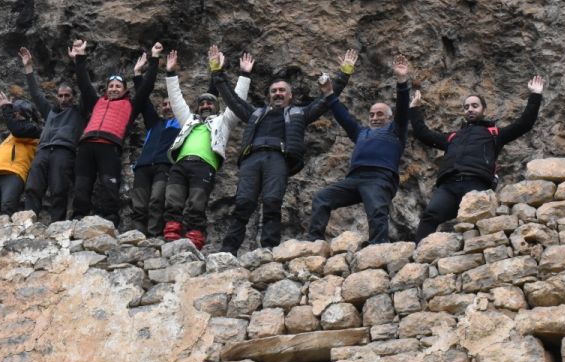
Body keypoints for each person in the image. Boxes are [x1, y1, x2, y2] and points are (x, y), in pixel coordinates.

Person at [213, 48, 356, 254]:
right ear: (269, 96)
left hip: (278, 159)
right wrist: (217, 72)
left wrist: (344, 74)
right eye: (274, 91)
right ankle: (228, 250)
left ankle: (269, 250)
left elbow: (326, 100)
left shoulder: (300, 113)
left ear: (290, 96)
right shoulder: (255, 113)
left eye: (282, 91)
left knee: (272, 202)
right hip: (251, 159)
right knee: (243, 203)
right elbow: (232, 100)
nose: (277, 94)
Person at [409, 76, 544, 242]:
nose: (470, 109)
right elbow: (424, 134)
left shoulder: (494, 134)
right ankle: (418, 257)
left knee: (478, 222)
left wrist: (535, 95)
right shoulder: (452, 137)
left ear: (484, 110)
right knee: (429, 216)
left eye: (474, 106)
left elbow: (524, 123)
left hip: (476, 183)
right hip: (448, 185)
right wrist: (414, 109)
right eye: (466, 107)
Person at [307, 54, 412, 245]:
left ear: (389, 118)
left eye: (380, 114)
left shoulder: (396, 130)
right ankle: (314, 242)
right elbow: (344, 116)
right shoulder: (361, 133)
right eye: (371, 114)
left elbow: (403, 108)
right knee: (322, 198)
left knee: (376, 210)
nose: (374, 117)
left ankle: (378, 247)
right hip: (354, 179)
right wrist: (330, 93)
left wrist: (402, 80)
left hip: (379, 178)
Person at [160, 47, 251, 249]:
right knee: (172, 198)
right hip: (181, 164)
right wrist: (170, 73)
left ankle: (194, 237)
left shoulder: (223, 122)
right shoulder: (189, 121)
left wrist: (244, 75)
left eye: (210, 102)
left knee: (197, 202)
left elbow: (236, 101)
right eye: (202, 103)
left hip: (204, 165)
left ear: (216, 106)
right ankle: (171, 234)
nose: (205, 105)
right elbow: (176, 100)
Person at [71, 40, 161, 223]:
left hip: (110, 146)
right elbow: (83, 83)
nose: (113, 89)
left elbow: (147, 86)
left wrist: (155, 59)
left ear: (125, 90)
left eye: (118, 86)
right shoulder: (96, 102)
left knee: (109, 183)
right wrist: (80, 56)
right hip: (87, 144)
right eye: (111, 86)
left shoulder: (131, 105)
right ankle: (78, 217)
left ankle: (109, 219)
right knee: (82, 183)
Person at [20, 46, 91, 223]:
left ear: (73, 97)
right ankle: (28, 223)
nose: (64, 98)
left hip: (63, 152)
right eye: (60, 95)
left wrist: (78, 61)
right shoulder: (50, 111)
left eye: (67, 95)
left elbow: (86, 88)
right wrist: (28, 68)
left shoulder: (79, 112)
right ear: (57, 97)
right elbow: (36, 95)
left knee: (59, 189)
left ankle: (57, 224)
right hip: (43, 151)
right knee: (32, 187)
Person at [130, 50, 181, 236]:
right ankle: (137, 237)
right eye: (164, 105)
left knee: (156, 201)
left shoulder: (183, 123)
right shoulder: (154, 122)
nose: (167, 107)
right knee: (139, 204)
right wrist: (137, 74)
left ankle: (153, 237)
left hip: (164, 165)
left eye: (171, 104)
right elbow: (143, 101)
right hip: (143, 166)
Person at [0, 92, 44, 217]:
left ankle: (8, 235)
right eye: (15, 113)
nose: (15, 115)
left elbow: (17, 129)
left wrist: (5, 107)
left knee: (7, 206)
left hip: (14, 172)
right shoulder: (10, 138)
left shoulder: (34, 130)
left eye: (17, 113)